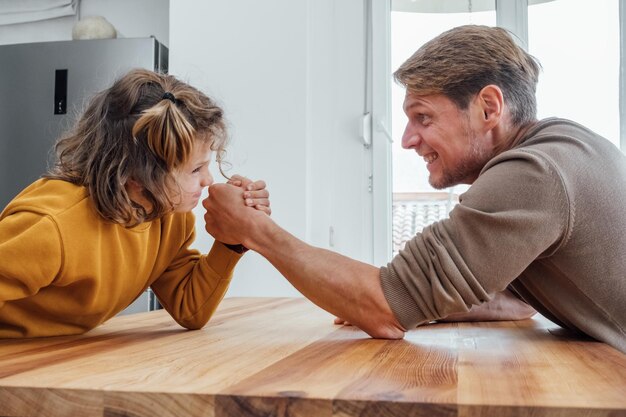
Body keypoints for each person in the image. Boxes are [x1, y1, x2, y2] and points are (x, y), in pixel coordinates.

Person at [202, 25, 626, 354]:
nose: (407, 139)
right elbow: (514, 302)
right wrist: (419, 304)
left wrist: (252, 230)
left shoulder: (534, 174)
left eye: (423, 117)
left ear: (489, 108)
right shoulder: (565, 148)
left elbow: (383, 310)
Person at [0, 68, 270, 338]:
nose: (208, 181)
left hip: (55, 356)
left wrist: (231, 241)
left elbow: (191, 309)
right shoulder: (51, 226)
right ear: (136, 177)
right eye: (195, 170)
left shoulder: (169, 217)